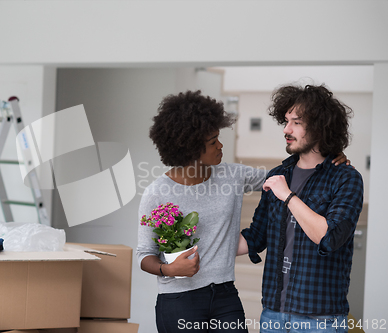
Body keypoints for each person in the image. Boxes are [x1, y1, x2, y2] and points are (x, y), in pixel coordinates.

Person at [136, 90, 347, 333]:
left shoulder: (233, 175)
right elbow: (144, 254)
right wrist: (168, 269)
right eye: (213, 141)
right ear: (191, 148)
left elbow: (284, 177)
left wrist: (329, 157)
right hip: (179, 300)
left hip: (225, 295)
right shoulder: (156, 192)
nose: (220, 145)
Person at [238, 84, 364, 333]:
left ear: (320, 126)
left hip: (320, 319)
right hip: (272, 314)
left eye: (296, 122)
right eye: (286, 121)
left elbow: (328, 237)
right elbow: (256, 237)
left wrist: (287, 195)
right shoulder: (279, 174)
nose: (286, 130)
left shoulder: (345, 178)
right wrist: (202, 244)